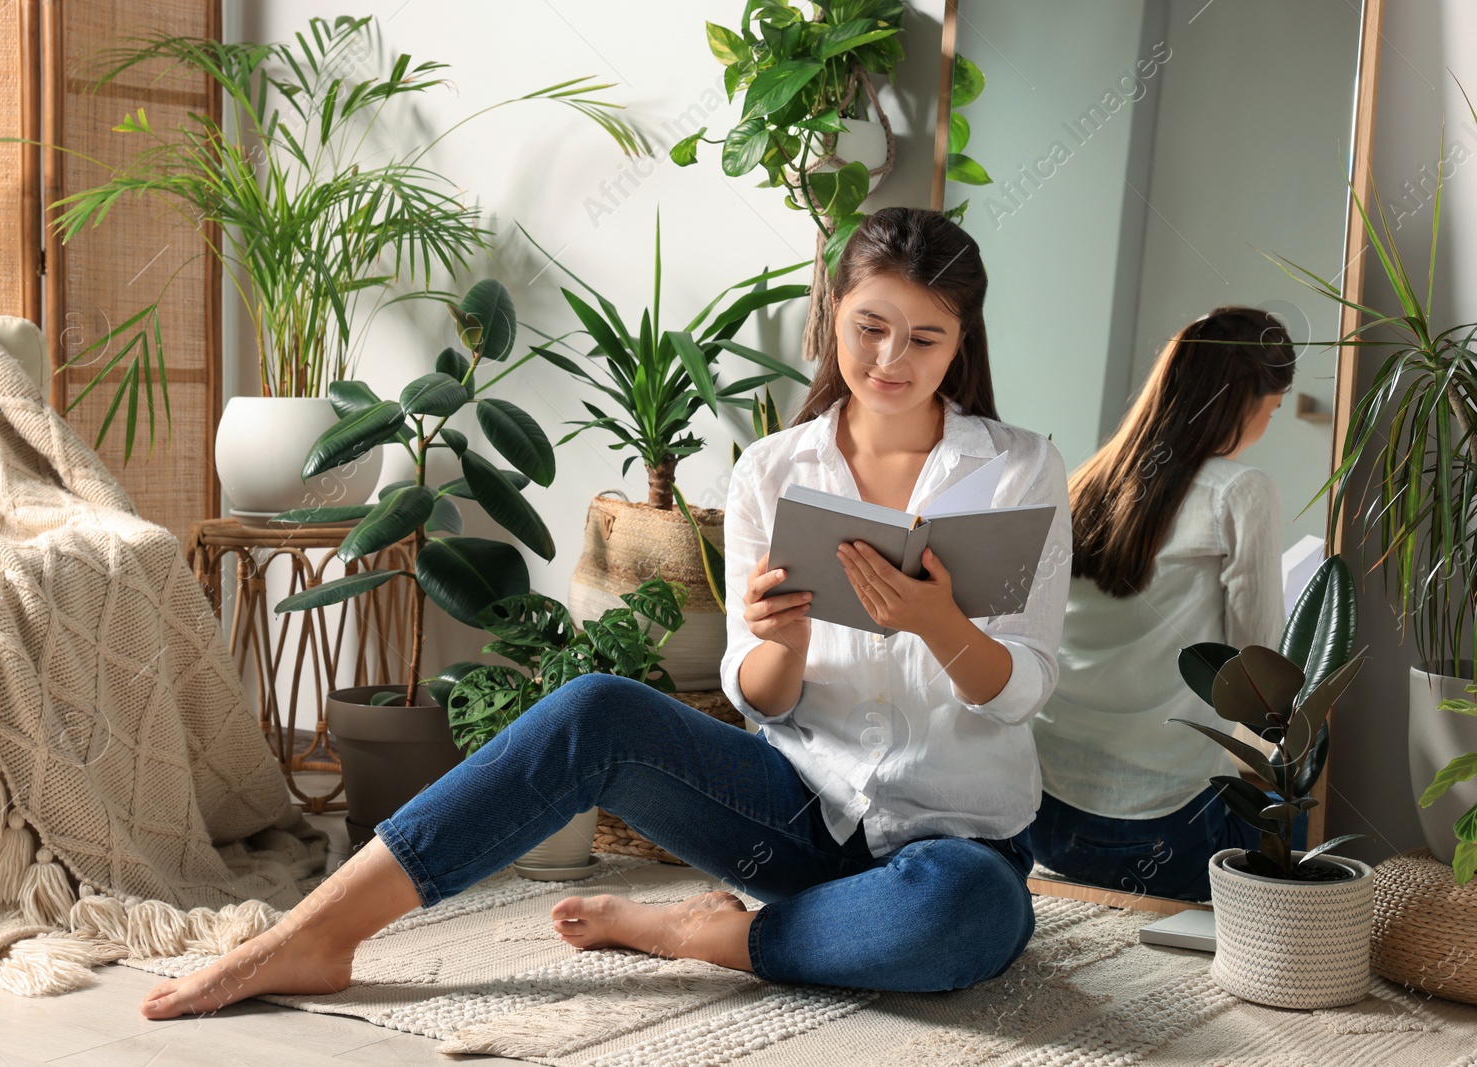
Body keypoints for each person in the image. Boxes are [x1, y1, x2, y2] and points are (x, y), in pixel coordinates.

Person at [136, 207, 1072, 1019]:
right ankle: (316, 932)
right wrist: (779, 643)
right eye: (870, 326)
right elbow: (764, 702)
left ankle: (704, 936)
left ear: (962, 342)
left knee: (970, 919)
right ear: (834, 315)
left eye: (925, 338)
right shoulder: (775, 471)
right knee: (593, 709)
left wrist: (939, 624)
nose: (890, 359)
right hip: (795, 821)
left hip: (955, 841)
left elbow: (1020, 690)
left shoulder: (1020, 468)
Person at [1028, 305, 1303, 903]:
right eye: (1273, 409)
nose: (1268, 423)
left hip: (1037, 815)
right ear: (1247, 399)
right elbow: (1260, 674)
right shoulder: (1241, 491)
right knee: (1292, 803)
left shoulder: (1083, 483)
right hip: (1158, 834)